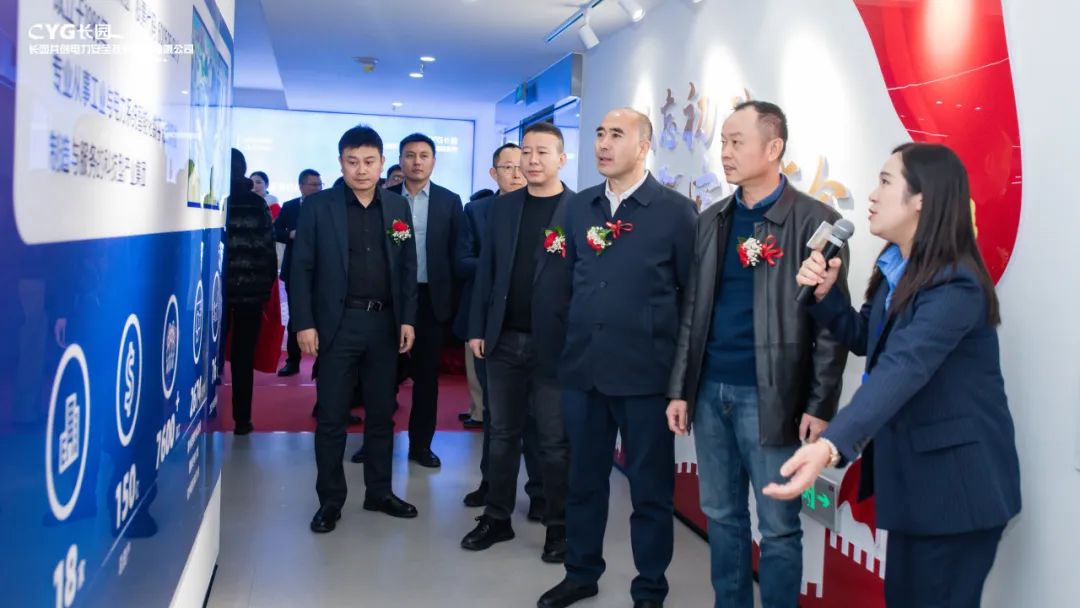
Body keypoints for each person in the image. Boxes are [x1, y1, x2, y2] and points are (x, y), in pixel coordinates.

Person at [763, 143, 1022, 607]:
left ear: (922, 198)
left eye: (885, 181)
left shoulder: (954, 283)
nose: (872, 194)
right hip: (916, 485)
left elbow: (903, 367)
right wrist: (826, 296)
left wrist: (829, 446)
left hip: (956, 490)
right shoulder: (896, 267)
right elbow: (868, 339)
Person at [664, 101, 849, 608]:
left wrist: (819, 404)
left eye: (736, 142)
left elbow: (831, 329)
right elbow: (692, 310)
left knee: (778, 526)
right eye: (723, 142)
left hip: (774, 398)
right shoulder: (712, 220)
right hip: (709, 393)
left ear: (773, 148)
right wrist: (680, 389)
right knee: (721, 515)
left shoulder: (816, 223)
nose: (724, 152)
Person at [538, 108, 697, 608]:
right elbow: (558, 280)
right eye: (600, 134)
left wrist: (680, 382)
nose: (604, 144)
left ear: (644, 146)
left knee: (650, 492)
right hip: (583, 371)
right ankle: (581, 572)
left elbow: (692, 298)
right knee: (583, 483)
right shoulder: (577, 208)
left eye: (617, 135)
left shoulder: (675, 212)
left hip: (646, 376)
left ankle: (650, 586)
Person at [290, 125, 420, 533]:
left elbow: (408, 268)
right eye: (352, 162)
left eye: (368, 162)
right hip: (337, 323)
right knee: (332, 416)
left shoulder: (397, 208)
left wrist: (408, 318)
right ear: (341, 163)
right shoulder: (318, 208)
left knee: (382, 413)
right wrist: (304, 323)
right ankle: (330, 501)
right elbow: (300, 269)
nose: (361, 170)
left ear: (382, 164)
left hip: (384, 324)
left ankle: (379, 491)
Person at [461, 123, 576, 563]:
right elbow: (487, 272)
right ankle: (497, 517)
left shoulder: (579, 210)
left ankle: (558, 526)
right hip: (504, 340)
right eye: (526, 151)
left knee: (554, 440)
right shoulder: (503, 208)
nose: (532, 160)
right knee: (501, 434)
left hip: (556, 344)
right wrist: (478, 328)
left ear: (561, 159)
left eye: (542, 152)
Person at [454, 144, 546, 515]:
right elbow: (462, 261)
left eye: (520, 164)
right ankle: (491, 485)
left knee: (538, 416)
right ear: (494, 173)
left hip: (537, 329)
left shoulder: (551, 207)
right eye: (507, 167)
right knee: (496, 414)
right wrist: (501, 269)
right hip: (491, 327)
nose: (516, 172)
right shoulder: (478, 211)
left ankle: (540, 492)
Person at [386, 133, 463, 468]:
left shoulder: (449, 201)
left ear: (434, 161)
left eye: (423, 155)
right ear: (400, 160)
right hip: (390, 298)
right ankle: (376, 442)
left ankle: (421, 446)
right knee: (382, 375)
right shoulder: (384, 198)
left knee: (426, 378)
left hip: (431, 298)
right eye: (410, 155)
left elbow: (456, 254)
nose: (416, 161)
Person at [225, 149, 278, 435]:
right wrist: (264, 287)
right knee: (243, 356)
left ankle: (204, 407)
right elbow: (269, 250)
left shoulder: (216, 200)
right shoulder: (257, 203)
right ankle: (242, 419)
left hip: (216, 292)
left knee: (207, 352)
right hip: (251, 293)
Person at [274, 169, 323, 377]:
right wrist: (290, 235)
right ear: (301, 186)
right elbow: (275, 231)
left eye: (319, 184)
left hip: (323, 271)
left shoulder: (328, 205)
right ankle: (293, 361)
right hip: (295, 270)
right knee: (296, 316)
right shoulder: (290, 206)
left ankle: (321, 364)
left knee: (324, 316)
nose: (318, 188)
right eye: (313, 184)